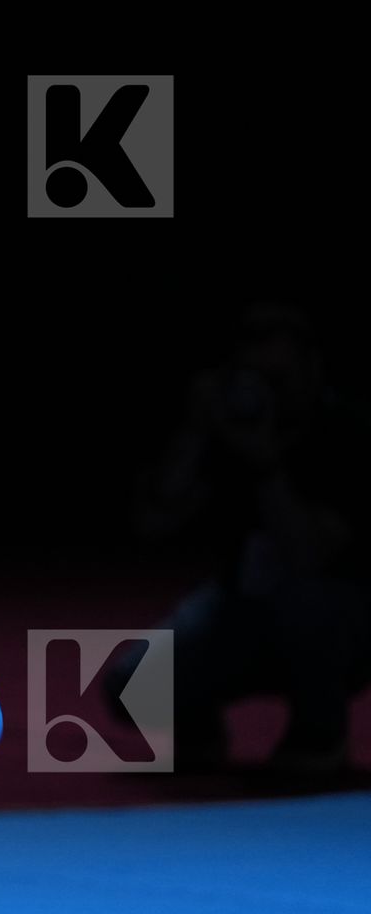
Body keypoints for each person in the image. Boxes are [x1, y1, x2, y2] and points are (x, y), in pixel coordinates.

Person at [116, 302, 370, 773]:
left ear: (313, 371)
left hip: (340, 622)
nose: (267, 393)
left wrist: (265, 464)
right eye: (255, 378)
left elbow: (308, 554)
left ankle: (320, 732)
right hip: (241, 611)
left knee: (304, 604)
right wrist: (195, 431)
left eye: (280, 379)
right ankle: (198, 726)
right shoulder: (229, 431)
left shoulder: (348, 438)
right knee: (128, 683)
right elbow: (152, 522)